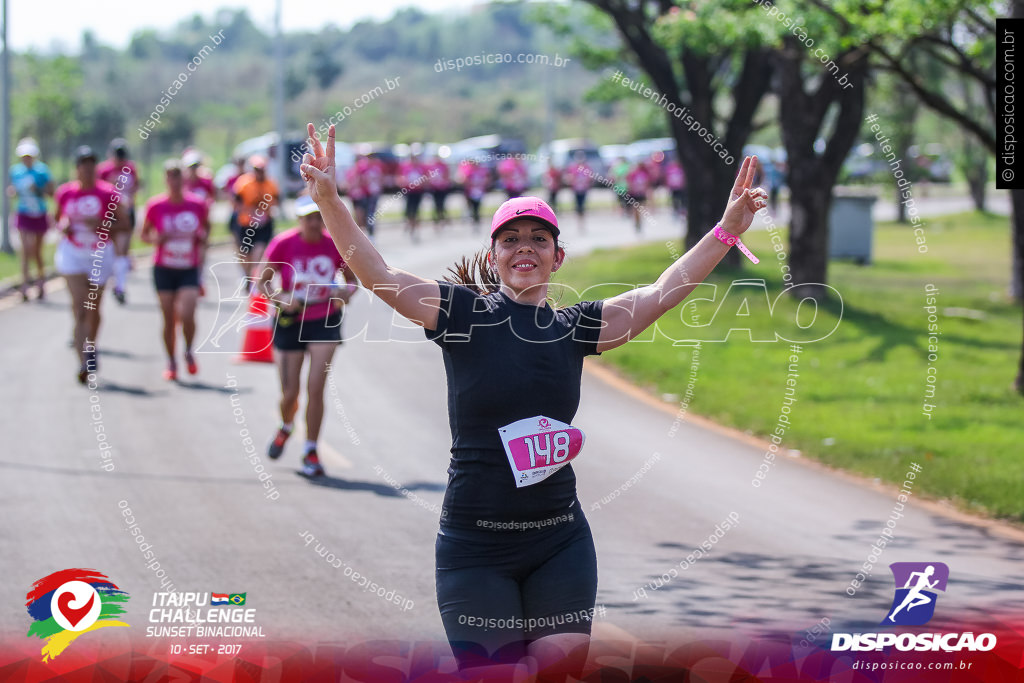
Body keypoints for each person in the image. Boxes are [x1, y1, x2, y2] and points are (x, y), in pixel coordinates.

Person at [298, 123, 767, 676]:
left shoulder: (576, 328)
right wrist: (329, 199)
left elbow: (660, 293)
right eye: (511, 240)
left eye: (538, 240)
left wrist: (727, 230)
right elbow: (376, 273)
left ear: (557, 257)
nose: (525, 249)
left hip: (559, 543)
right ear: (494, 255)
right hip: (475, 549)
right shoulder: (461, 316)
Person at [258, 195, 358, 477]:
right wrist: (281, 299)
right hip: (290, 321)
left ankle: (310, 450)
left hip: (324, 320)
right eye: (308, 218)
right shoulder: (283, 243)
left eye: (319, 217)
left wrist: (343, 293)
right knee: (290, 393)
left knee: (315, 387)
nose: (314, 223)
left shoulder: (335, 244)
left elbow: (353, 281)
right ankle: (285, 427)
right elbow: (262, 281)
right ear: (299, 220)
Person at [54, 146, 128, 383]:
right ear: (77, 168)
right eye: (83, 165)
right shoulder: (65, 193)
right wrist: (63, 226)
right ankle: (83, 360)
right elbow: (58, 219)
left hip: (99, 254)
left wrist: (102, 224)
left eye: (91, 165)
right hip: (73, 253)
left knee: (94, 309)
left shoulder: (108, 193)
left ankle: (92, 345)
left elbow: (125, 225)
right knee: (80, 307)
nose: (87, 169)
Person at [140, 160, 210, 380]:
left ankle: (188, 350)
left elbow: (206, 230)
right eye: (170, 176)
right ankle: (171, 361)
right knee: (169, 318)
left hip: (188, 267)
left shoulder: (197, 204)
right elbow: (143, 235)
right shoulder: (155, 205)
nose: (174, 181)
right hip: (164, 267)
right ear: (165, 180)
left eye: (177, 176)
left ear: (183, 179)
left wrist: (202, 239)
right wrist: (156, 239)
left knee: (188, 314)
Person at [8, 138, 53, 301]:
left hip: (39, 214)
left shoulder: (42, 171)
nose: (26, 159)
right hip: (23, 213)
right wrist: (13, 191)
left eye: (29, 156)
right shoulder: (15, 171)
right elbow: (13, 189)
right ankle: (25, 286)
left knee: (37, 252)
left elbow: (50, 192)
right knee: (25, 250)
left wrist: (37, 190)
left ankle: (41, 281)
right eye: (24, 156)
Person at [97, 138, 141, 305]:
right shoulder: (103, 170)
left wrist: (128, 201)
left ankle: (120, 287)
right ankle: (104, 279)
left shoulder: (130, 168)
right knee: (108, 250)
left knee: (122, 250)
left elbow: (135, 186)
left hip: (126, 212)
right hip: (108, 214)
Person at [232, 155, 280, 277]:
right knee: (246, 256)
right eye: (257, 169)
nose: (259, 173)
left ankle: (254, 278)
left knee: (258, 253)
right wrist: (250, 212)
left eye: (262, 169)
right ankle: (247, 276)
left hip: (264, 225)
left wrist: (266, 210)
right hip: (246, 224)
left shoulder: (271, 184)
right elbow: (236, 203)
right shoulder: (244, 183)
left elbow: (276, 201)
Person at [398, 152, 427, 241]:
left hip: (418, 192)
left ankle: (414, 227)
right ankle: (409, 223)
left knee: (415, 210)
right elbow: (400, 178)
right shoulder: (406, 167)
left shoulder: (421, 167)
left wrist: (422, 183)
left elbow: (425, 178)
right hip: (408, 191)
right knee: (408, 210)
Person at [564, 152, 593, 233]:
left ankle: (582, 224)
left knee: (582, 207)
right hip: (576, 190)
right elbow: (568, 178)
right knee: (578, 207)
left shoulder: (586, 168)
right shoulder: (573, 168)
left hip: (583, 190)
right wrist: (572, 179)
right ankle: (579, 224)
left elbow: (590, 178)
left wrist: (585, 181)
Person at [458, 158, 489, 231]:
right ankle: (471, 219)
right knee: (470, 207)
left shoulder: (481, 170)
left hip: (479, 191)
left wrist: (482, 184)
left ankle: (476, 222)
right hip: (470, 192)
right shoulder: (468, 170)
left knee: (477, 208)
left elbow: (487, 179)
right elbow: (464, 180)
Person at [625, 161, 652, 233]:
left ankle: (639, 222)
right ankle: (637, 222)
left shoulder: (644, 174)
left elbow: (647, 183)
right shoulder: (634, 173)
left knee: (640, 209)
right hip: (635, 194)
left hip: (641, 193)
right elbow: (629, 182)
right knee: (636, 210)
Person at [427, 154, 452, 230]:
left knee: (441, 204)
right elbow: (428, 176)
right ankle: (437, 220)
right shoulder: (431, 166)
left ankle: (443, 219)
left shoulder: (443, 166)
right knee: (436, 204)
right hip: (434, 188)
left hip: (442, 188)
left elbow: (446, 176)